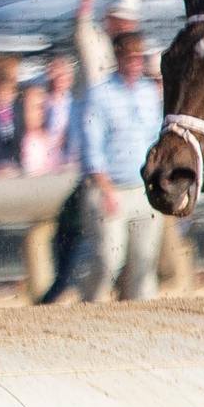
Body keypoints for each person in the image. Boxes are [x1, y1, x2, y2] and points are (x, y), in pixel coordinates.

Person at [64, 25, 166, 304]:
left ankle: (140, 318)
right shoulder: (100, 94)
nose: (134, 62)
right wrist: (105, 189)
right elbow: (91, 149)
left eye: (138, 57)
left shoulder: (149, 93)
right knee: (108, 259)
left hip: (143, 187)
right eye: (129, 57)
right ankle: (90, 307)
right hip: (111, 188)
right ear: (118, 58)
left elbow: (156, 138)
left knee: (144, 263)